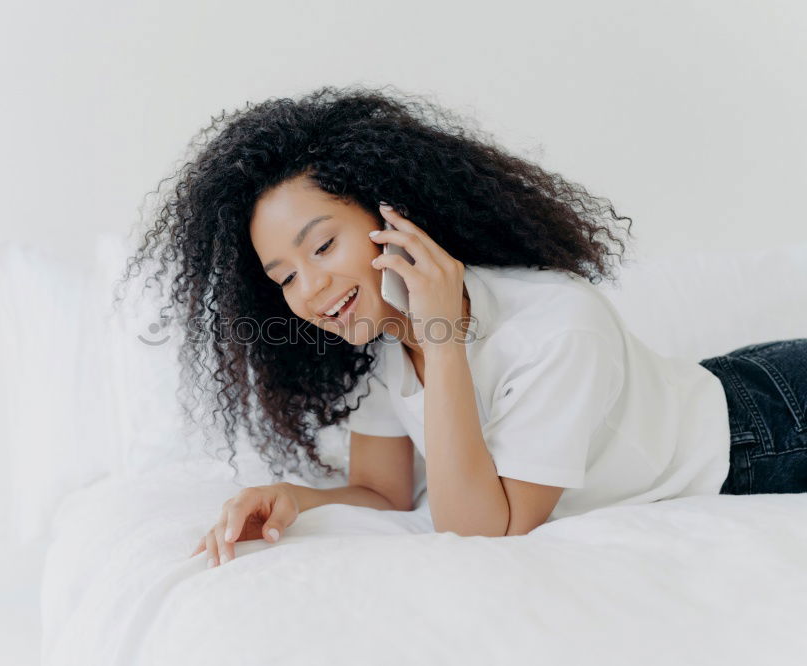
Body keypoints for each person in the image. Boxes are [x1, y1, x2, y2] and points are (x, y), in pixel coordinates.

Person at [116, 85, 807, 570]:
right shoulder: (386, 340)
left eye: (322, 246)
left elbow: (483, 530)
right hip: (732, 390)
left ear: (395, 219)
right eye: (285, 276)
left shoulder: (559, 327)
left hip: (768, 429)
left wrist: (442, 340)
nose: (311, 288)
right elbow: (386, 493)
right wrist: (290, 498)